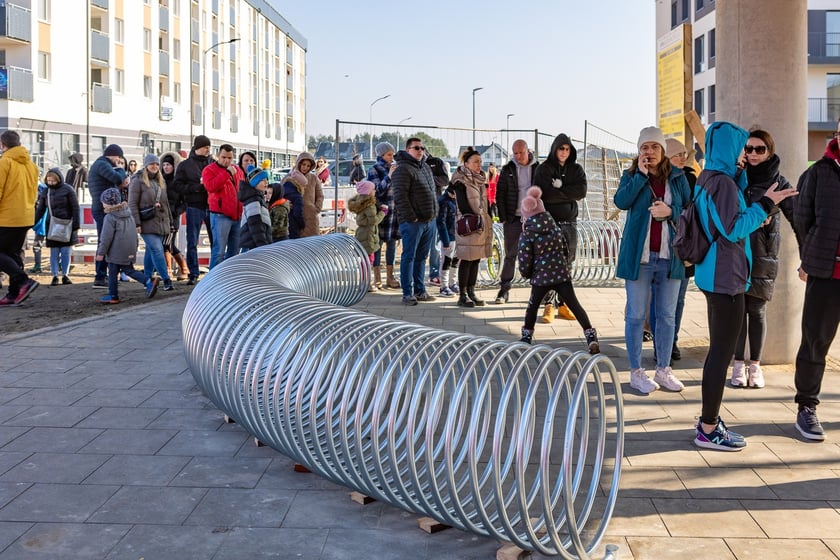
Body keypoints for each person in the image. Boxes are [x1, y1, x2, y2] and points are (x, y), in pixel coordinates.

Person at [692, 121, 797, 451]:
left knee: (719, 353)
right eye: (741, 147)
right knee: (721, 355)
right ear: (729, 148)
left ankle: (709, 422)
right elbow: (733, 228)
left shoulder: (710, 176)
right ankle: (708, 428)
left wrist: (755, 197)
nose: (745, 155)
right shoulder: (721, 183)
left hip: (714, 273)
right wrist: (764, 205)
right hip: (726, 278)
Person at [614, 126, 691, 395]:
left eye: (654, 147)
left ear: (662, 151)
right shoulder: (631, 175)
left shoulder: (678, 177)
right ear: (639, 151)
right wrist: (640, 177)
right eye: (644, 147)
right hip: (640, 258)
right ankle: (636, 371)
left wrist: (672, 211)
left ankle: (663, 369)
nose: (649, 152)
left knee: (667, 316)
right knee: (635, 315)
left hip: (670, 258)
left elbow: (690, 210)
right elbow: (621, 201)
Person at [730, 129, 797, 389]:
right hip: (735, 252)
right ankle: (737, 363)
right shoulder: (736, 178)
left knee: (756, 310)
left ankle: (755, 366)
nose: (754, 154)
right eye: (749, 149)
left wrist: (809, 255)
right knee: (736, 312)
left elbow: (798, 218)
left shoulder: (779, 182)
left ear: (769, 151)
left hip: (763, 253)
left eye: (760, 149)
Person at [791, 120, 840, 441]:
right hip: (827, 274)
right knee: (815, 342)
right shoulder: (818, 173)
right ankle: (807, 406)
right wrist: (810, 259)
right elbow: (801, 218)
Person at [518, 187, 599, 353]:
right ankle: (590, 335)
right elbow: (565, 250)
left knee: (532, 307)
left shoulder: (528, 234)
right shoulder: (556, 229)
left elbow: (525, 258)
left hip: (541, 278)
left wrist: (527, 273)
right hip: (561, 276)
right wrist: (564, 267)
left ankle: (526, 337)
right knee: (575, 305)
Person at [533, 133, 586, 323]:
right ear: (555, 149)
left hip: (570, 223)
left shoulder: (577, 169)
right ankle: (548, 305)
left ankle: (564, 305)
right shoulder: (543, 169)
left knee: (567, 264)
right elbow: (544, 193)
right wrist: (567, 193)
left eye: (567, 149)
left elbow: (581, 192)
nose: (564, 152)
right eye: (561, 148)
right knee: (548, 264)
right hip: (549, 223)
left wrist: (560, 188)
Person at [391, 137, 438, 305]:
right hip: (413, 222)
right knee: (409, 257)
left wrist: (434, 214)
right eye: (416, 148)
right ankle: (407, 293)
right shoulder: (402, 169)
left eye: (422, 148)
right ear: (408, 149)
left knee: (421, 257)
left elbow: (433, 191)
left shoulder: (424, 167)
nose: (420, 151)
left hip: (429, 220)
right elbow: (400, 197)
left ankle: (420, 291)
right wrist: (412, 217)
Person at [96, 187, 160, 304]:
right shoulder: (129, 214)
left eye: (103, 202)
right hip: (129, 249)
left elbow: (106, 238)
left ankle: (113, 295)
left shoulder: (110, 218)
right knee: (128, 269)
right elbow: (133, 233)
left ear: (108, 203)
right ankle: (148, 281)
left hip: (116, 251)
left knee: (113, 272)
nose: (102, 205)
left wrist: (101, 253)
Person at [495, 139, 538, 304]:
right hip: (513, 219)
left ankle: (537, 292)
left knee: (536, 255)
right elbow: (500, 194)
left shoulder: (538, 168)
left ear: (528, 151)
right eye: (515, 153)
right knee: (510, 255)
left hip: (534, 218)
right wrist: (504, 217)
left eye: (521, 152)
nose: (518, 156)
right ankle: (504, 290)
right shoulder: (508, 169)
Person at [0, 130, 40, 306]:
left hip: (7, 216)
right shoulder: (31, 165)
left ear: (3, 145)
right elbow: (34, 193)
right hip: (25, 216)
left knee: (5, 254)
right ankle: (14, 293)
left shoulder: (5, 162)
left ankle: (23, 280)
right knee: (13, 254)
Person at [451, 147, 492, 307]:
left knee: (476, 259)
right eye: (475, 162)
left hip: (480, 224)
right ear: (466, 163)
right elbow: (462, 203)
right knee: (467, 259)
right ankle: (462, 295)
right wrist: (475, 218)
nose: (479, 165)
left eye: (480, 162)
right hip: (468, 224)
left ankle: (471, 291)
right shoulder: (460, 180)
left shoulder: (480, 179)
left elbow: (485, 201)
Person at [128, 154, 174, 291]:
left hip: (161, 222)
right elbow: (132, 204)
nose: (154, 166)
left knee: (151, 250)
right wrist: (137, 223)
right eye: (151, 164)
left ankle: (147, 279)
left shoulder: (161, 181)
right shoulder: (137, 181)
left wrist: (170, 222)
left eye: (156, 164)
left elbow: (166, 204)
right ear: (146, 165)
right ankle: (166, 279)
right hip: (146, 222)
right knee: (157, 249)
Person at [173, 135, 213, 285]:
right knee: (192, 241)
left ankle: (214, 270)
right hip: (194, 205)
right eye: (205, 147)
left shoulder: (212, 162)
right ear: (198, 148)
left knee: (215, 241)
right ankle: (193, 272)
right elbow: (178, 185)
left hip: (211, 206)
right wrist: (195, 188)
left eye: (209, 147)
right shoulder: (185, 166)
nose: (208, 149)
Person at [88, 143, 129, 287]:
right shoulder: (102, 164)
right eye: (118, 157)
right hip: (103, 210)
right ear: (113, 155)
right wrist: (121, 170)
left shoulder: (100, 165)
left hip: (103, 209)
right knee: (104, 241)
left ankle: (106, 275)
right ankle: (100, 276)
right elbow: (118, 179)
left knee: (107, 241)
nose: (119, 160)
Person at [34, 168, 79, 286]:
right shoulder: (46, 191)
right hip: (52, 225)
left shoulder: (68, 189)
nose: (51, 183)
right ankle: (54, 275)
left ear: (58, 179)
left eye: (53, 181)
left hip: (67, 225)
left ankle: (65, 275)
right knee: (54, 252)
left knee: (65, 252)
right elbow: (40, 209)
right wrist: (33, 222)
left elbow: (75, 208)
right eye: (48, 181)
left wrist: (76, 224)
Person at [203, 144, 244, 268]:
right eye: (223, 157)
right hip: (220, 214)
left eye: (229, 158)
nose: (226, 160)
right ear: (218, 156)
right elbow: (211, 187)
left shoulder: (237, 170)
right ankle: (213, 281)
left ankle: (228, 280)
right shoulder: (209, 170)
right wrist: (226, 173)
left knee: (234, 251)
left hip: (237, 215)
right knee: (219, 251)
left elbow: (241, 189)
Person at [369, 142, 400, 290]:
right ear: (381, 155)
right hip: (381, 212)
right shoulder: (374, 169)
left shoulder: (395, 168)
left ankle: (390, 276)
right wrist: (389, 176)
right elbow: (377, 190)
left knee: (392, 244)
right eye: (389, 154)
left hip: (395, 213)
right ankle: (376, 277)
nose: (391, 157)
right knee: (377, 244)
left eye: (392, 154)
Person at [348, 180, 386, 292]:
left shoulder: (360, 203)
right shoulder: (370, 205)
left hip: (362, 234)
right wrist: (383, 212)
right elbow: (373, 221)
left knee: (364, 259)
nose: (374, 191)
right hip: (368, 236)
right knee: (368, 260)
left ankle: (364, 282)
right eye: (373, 189)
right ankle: (366, 284)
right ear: (369, 192)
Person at [160, 151, 188, 281]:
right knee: (166, 243)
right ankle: (183, 268)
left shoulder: (177, 181)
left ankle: (170, 270)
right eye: (164, 164)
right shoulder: (160, 180)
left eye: (169, 165)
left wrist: (177, 211)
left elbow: (185, 201)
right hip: (160, 216)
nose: (166, 167)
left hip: (173, 217)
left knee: (167, 243)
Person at [425, 148, 450, 287]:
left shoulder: (436, 162)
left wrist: (429, 178)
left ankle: (435, 274)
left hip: (436, 207)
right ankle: (419, 275)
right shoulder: (411, 165)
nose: (420, 151)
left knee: (436, 244)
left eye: (422, 149)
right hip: (419, 211)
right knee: (421, 246)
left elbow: (445, 180)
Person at [238, 163, 273, 251]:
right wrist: (262, 244)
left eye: (266, 180)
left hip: (255, 242)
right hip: (253, 243)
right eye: (262, 180)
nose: (266, 182)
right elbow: (254, 222)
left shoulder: (258, 198)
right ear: (254, 183)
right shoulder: (253, 199)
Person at [436, 186, 459, 297]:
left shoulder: (455, 200)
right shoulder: (443, 201)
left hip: (456, 235)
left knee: (455, 260)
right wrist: (445, 240)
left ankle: (452, 283)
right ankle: (443, 286)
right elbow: (441, 222)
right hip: (449, 236)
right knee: (446, 261)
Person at [301, 154, 325, 238]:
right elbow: (282, 194)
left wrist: (316, 209)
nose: (305, 167)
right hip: (294, 216)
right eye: (304, 164)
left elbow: (320, 195)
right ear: (299, 163)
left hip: (311, 217)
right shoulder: (290, 177)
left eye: (308, 166)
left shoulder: (313, 178)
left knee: (312, 244)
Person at [28, 182, 47, 274]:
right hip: (50, 227)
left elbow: (38, 218)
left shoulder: (38, 203)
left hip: (41, 228)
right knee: (56, 247)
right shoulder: (48, 198)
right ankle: (59, 265)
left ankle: (38, 266)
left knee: (37, 246)